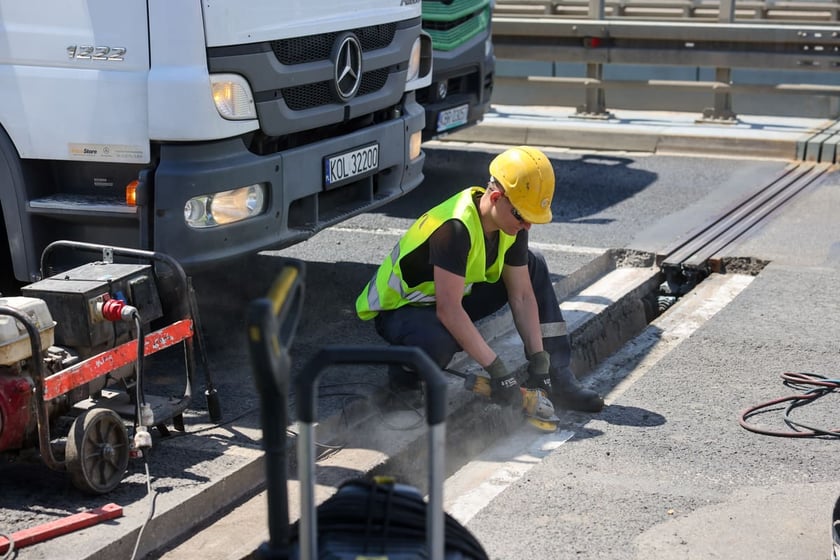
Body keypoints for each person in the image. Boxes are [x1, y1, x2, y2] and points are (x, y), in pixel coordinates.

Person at [355, 146, 604, 413]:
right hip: (402, 310)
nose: (527, 225)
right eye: (522, 216)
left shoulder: (513, 221)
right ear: (496, 197)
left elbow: (521, 295)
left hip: (449, 295)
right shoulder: (454, 227)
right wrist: (499, 373)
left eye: (532, 218)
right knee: (437, 342)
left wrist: (539, 362)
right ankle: (403, 383)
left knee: (533, 265)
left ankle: (555, 376)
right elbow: (449, 310)